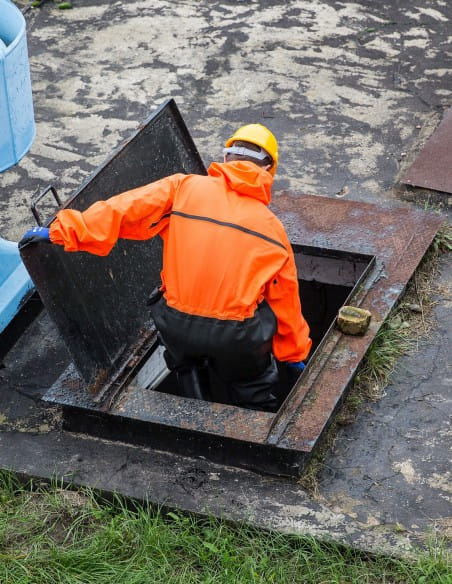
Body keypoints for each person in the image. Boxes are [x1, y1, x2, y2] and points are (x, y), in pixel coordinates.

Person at [20, 123, 311, 411]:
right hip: (236, 338)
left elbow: (123, 210)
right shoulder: (273, 230)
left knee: (184, 362)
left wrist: (60, 231)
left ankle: (192, 410)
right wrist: (293, 355)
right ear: (269, 170)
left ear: (226, 158)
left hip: (176, 324)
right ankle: (255, 420)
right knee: (252, 379)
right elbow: (285, 301)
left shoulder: (183, 188)